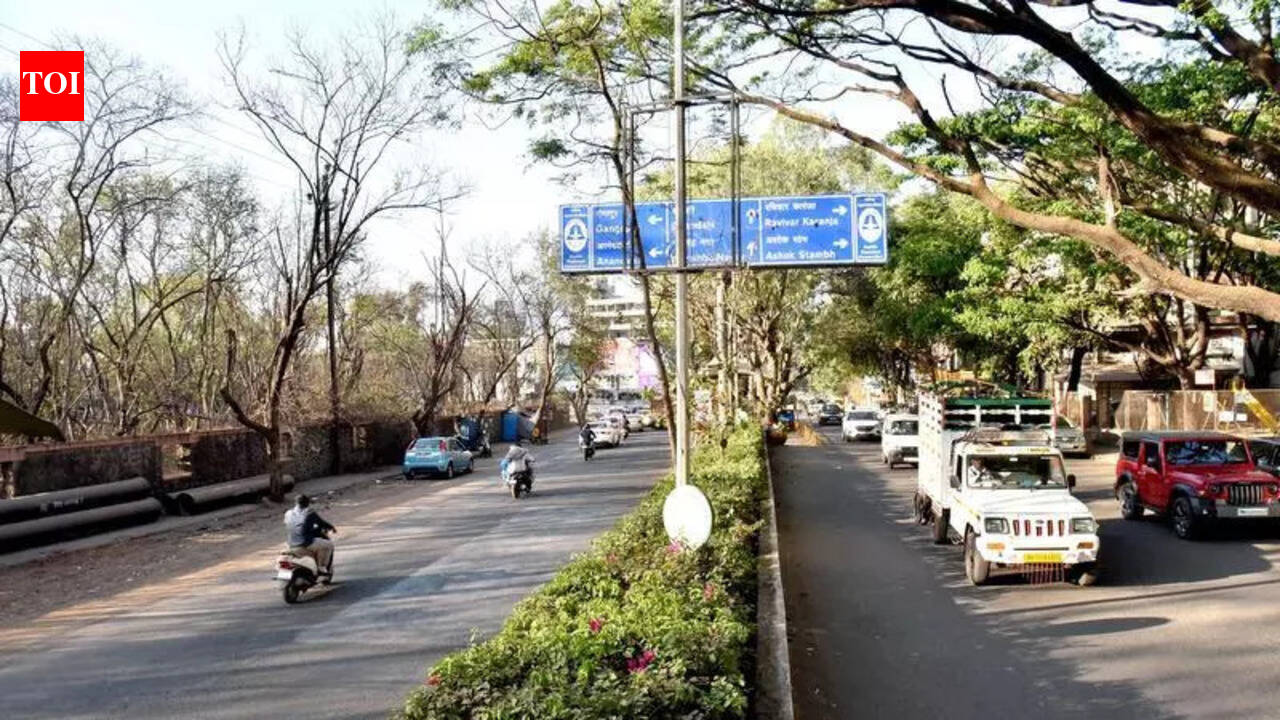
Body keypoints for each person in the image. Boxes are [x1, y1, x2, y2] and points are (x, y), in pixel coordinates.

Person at [284, 494, 337, 582]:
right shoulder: (309, 512)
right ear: (307, 503)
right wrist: (331, 527)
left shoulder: (288, 513)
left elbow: (290, 525)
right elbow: (321, 523)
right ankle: (321, 568)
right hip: (305, 543)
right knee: (328, 545)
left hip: (290, 544)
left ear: (295, 503)